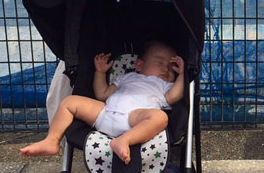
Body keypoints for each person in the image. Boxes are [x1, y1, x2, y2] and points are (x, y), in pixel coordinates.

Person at [20, 41, 184, 164]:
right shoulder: (126, 77)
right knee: (70, 102)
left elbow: (174, 96)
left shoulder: (166, 86)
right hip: (104, 113)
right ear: (139, 65)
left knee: (160, 118)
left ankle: (125, 140)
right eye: (160, 63)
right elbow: (102, 93)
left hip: (134, 120)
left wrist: (183, 75)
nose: (166, 69)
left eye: (171, 67)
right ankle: (52, 140)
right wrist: (100, 72)